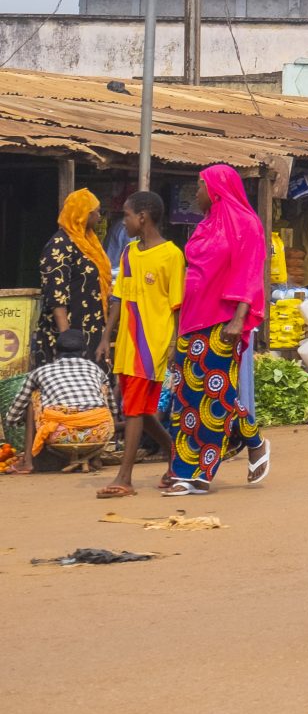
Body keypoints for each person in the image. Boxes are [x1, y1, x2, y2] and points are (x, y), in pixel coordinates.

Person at [165, 164, 270, 495]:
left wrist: (239, 318)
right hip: (192, 319)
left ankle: (197, 473)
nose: (195, 193)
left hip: (223, 322)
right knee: (188, 396)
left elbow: (250, 273)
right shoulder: (205, 225)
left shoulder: (247, 224)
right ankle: (253, 443)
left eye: (199, 186)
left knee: (212, 397)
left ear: (216, 189)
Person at [100, 191, 183, 499]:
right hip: (127, 343)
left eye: (127, 215)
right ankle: (178, 457)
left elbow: (177, 305)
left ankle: (124, 478)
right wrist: (106, 337)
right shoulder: (129, 253)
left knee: (135, 409)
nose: (125, 221)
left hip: (152, 343)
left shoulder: (172, 255)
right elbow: (119, 298)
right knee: (143, 411)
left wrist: (175, 344)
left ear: (143, 217)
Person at [4, 335, 116, 473]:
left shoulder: (40, 372)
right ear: (84, 353)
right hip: (100, 432)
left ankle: (28, 461)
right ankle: (94, 457)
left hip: (59, 435)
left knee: (34, 397)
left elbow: (12, 416)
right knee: (101, 394)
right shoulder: (96, 369)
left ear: (56, 353)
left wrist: (19, 421)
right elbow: (113, 408)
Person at [35, 188, 110, 373]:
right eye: (97, 211)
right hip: (69, 334)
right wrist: (67, 342)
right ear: (84, 215)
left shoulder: (88, 243)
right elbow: (56, 295)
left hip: (90, 331)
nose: (99, 216)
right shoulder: (60, 245)